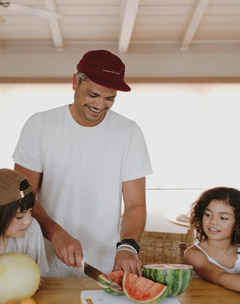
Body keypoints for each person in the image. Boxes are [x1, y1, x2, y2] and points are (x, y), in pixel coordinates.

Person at [12, 49, 152, 277]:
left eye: (110, 99)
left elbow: (135, 204)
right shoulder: (40, 125)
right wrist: (56, 233)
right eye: (93, 95)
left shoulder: (129, 133)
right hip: (44, 264)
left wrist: (127, 246)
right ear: (75, 82)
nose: (100, 105)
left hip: (105, 267)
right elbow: (23, 195)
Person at [184, 187, 240, 300]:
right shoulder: (194, 254)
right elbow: (220, 277)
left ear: (239, 223)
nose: (213, 221)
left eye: (223, 218)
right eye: (208, 215)